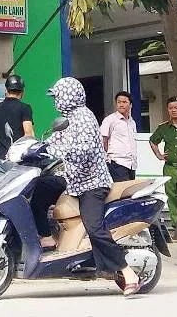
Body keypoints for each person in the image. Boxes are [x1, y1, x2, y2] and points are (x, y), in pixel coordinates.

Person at [47, 77, 141, 296]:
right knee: (42, 188)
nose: (55, 101)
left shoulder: (84, 117)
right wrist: (36, 149)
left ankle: (127, 272)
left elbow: (85, 149)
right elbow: (55, 141)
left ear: (69, 96)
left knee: (94, 229)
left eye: (58, 96)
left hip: (92, 184)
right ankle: (46, 236)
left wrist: (61, 152)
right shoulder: (69, 118)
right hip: (75, 181)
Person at [0, 75, 34, 178]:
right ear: (22, 92)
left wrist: (1, 143)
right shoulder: (25, 108)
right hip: (18, 160)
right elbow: (29, 134)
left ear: (6, 90)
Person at [149, 97, 177, 227]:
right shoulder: (163, 127)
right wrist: (159, 155)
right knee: (172, 196)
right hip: (170, 167)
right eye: (170, 108)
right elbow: (153, 141)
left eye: (176, 107)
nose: (173, 110)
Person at [100, 91, 138, 182]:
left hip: (131, 164)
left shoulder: (132, 122)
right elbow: (103, 140)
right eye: (119, 102)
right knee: (122, 189)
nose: (121, 105)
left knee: (130, 189)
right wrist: (107, 158)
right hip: (117, 163)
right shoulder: (110, 120)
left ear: (130, 105)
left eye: (124, 102)